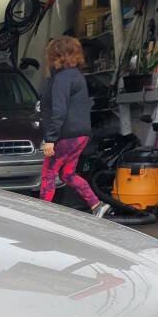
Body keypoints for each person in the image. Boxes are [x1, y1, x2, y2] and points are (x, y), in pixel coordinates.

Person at [39, 35, 108, 216]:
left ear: (56, 55)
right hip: (81, 135)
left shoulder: (62, 78)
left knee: (48, 173)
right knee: (67, 174)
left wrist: (50, 139)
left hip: (65, 136)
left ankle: (39, 215)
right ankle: (96, 204)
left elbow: (59, 110)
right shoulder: (77, 76)